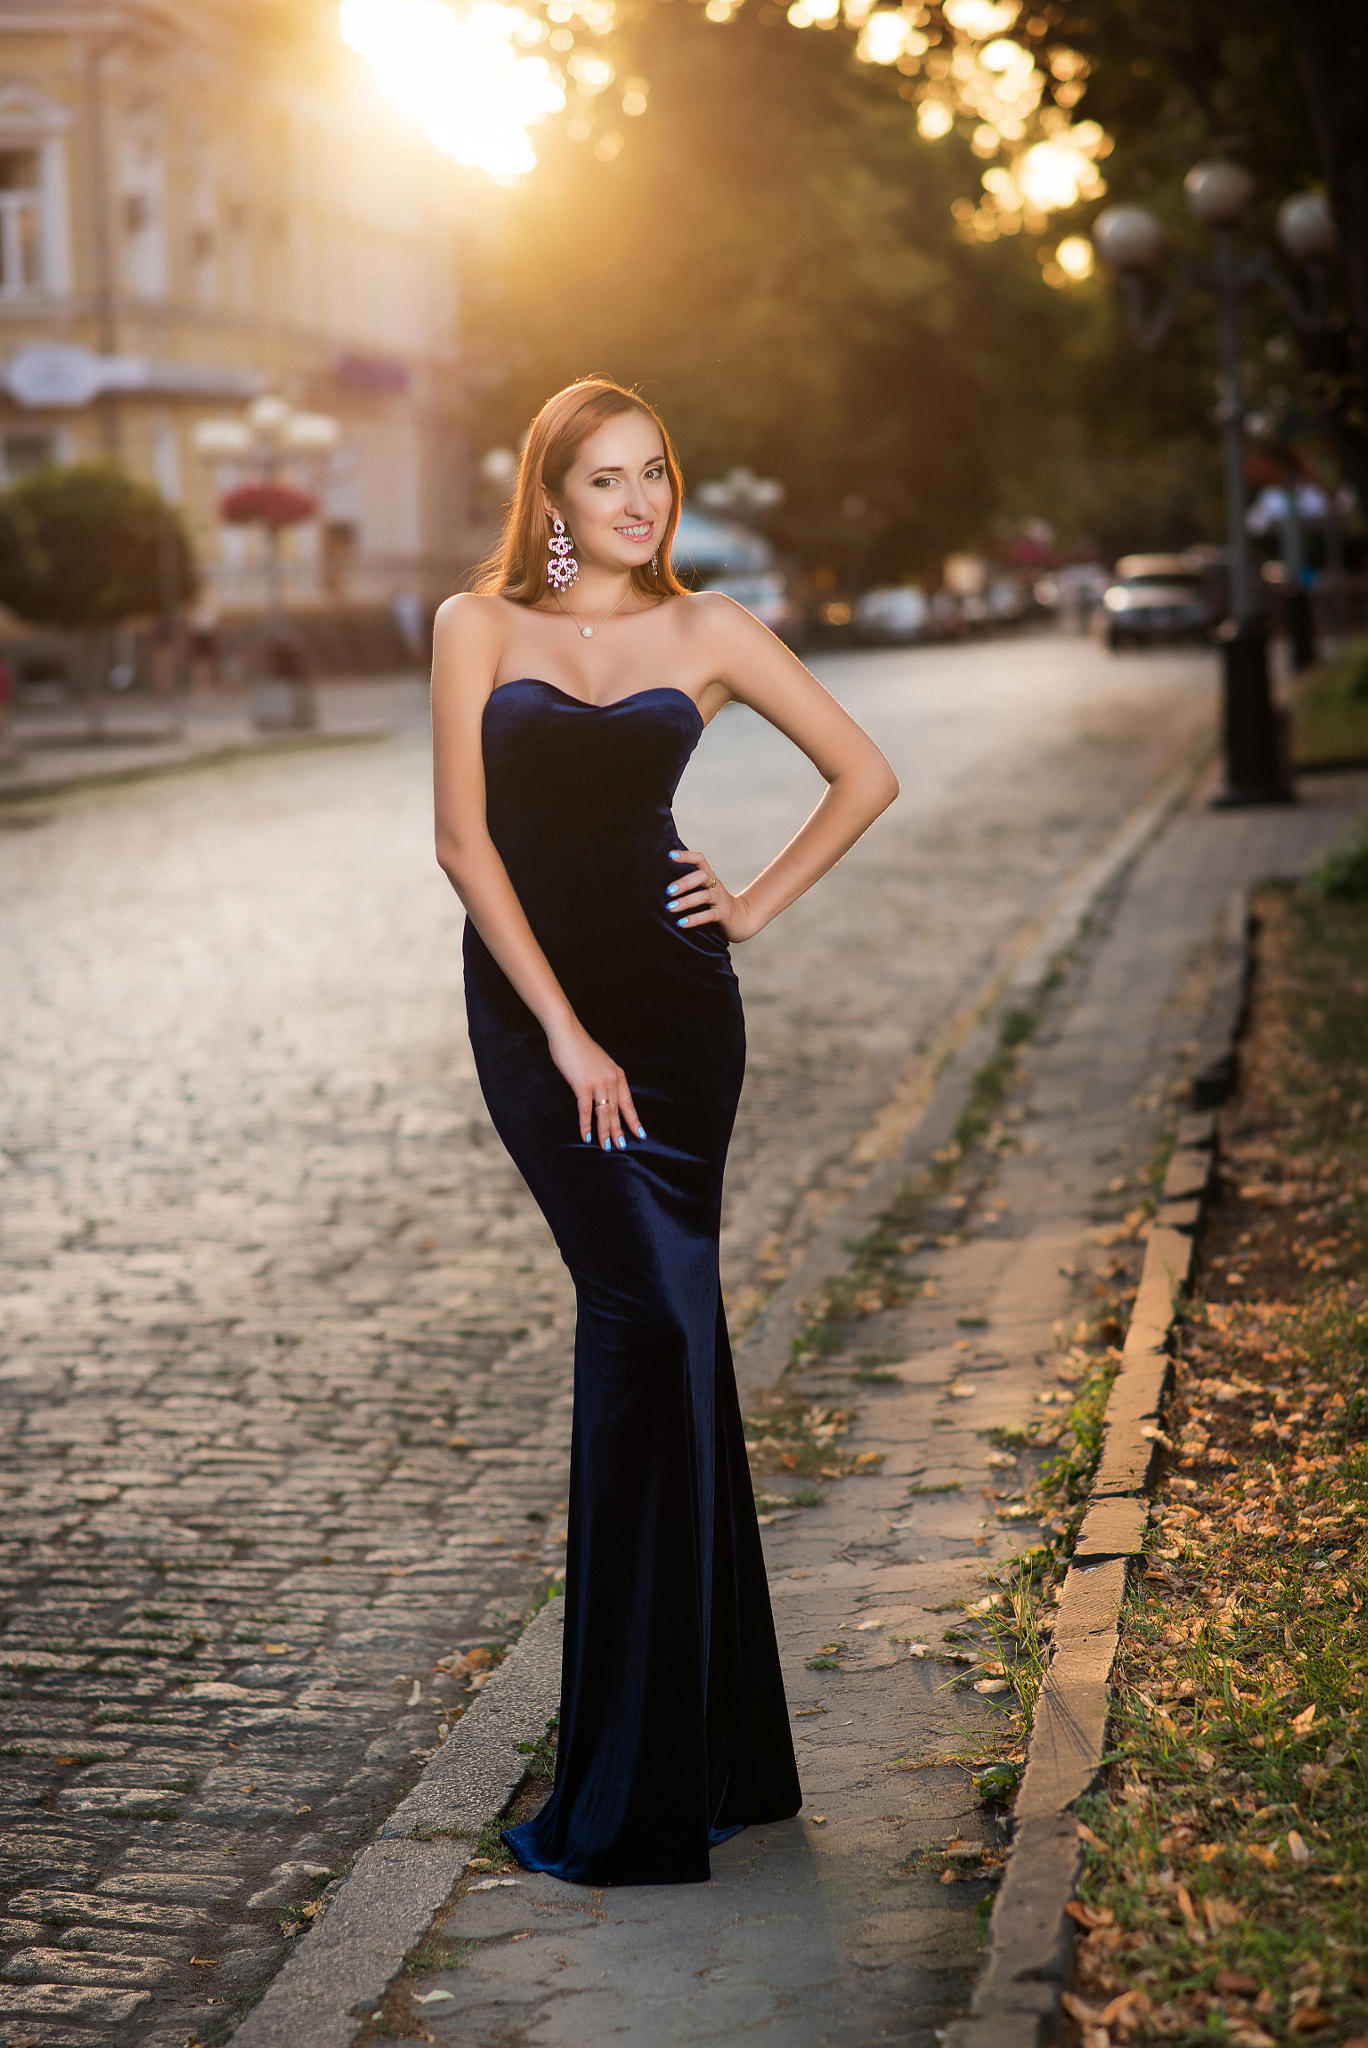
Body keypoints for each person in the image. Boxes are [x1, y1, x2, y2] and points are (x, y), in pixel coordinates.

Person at [431, 379, 898, 1886]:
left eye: (657, 478)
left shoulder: (708, 632)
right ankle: (672, 1757)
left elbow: (865, 772)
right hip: (540, 1023)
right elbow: (461, 839)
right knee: (649, 1324)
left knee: (671, 1336)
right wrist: (562, 1029)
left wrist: (749, 903)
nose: (639, 505)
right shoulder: (475, 627)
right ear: (551, 499)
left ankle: (691, 1758)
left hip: (682, 1030)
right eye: (607, 481)